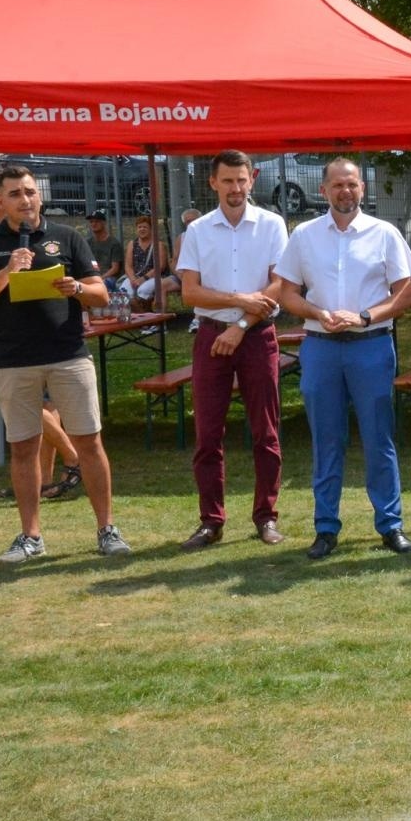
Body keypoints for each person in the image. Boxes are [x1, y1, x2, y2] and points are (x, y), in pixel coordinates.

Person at [0, 164, 131, 564]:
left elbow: (101, 295)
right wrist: (7, 272)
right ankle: (31, 536)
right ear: (0, 200)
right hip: (14, 360)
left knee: (90, 443)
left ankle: (107, 529)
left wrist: (77, 287)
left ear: (40, 196)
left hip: (68, 356)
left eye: (31, 192)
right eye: (15, 193)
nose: (26, 200)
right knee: (24, 449)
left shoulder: (67, 237)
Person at [276, 158, 411, 559]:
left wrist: (365, 316)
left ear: (362, 189)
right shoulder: (304, 235)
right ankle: (325, 528)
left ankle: (391, 525)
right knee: (326, 440)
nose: (345, 191)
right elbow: (286, 293)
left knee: (378, 438)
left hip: (371, 345)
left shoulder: (384, 233)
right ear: (323, 190)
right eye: (337, 185)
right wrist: (317, 312)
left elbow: (405, 294)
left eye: (352, 184)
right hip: (321, 347)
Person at [175, 150, 289, 550]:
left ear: (252, 179)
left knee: (266, 431)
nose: (235, 188)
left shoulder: (272, 225)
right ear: (213, 183)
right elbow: (190, 293)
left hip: (256, 336)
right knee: (208, 434)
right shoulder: (198, 231)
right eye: (227, 181)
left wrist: (240, 325)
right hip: (211, 337)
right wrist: (241, 299)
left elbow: (279, 286)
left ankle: (266, 517)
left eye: (241, 180)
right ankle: (211, 521)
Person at [0, 165, 84, 502]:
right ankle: (42, 480)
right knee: (41, 412)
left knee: (43, 407)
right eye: (16, 194)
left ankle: (66, 464)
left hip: (58, 349)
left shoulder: (58, 235)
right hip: (13, 350)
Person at [120, 214, 180, 310]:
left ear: (151, 229)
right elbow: (128, 265)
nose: (142, 229)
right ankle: (139, 315)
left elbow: (161, 266)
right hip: (136, 276)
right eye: (139, 227)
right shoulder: (132, 244)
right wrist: (132, 279)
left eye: (145, 227)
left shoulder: (159, 245)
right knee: (124, 293)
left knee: (143, 291)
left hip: (154, 277)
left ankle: (147, 314)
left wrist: (144, 278)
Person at [86, 210, 125, 292]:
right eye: (91, 222)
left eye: (97, 221)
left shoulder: (114, 243)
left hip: (110, 278)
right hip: (93, 275)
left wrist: (100, 278)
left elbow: (115, 269)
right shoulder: (88, 242)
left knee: (99, 285)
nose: (93, 224)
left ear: (104, 223)